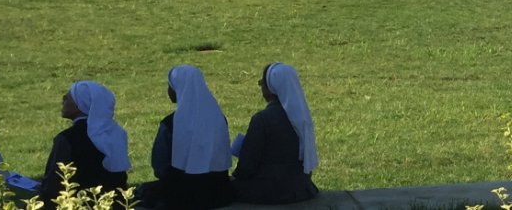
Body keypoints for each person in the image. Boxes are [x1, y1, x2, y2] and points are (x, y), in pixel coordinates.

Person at [140, 65, 236, 210]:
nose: (168, 91)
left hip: (181, 194)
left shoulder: (170, 123)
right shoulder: (219, 118)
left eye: (170, 86)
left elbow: (159, 166)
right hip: (218, 191)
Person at [234, 63, 319, 204]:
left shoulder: (262, 119)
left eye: (262, 83)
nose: (261, 87)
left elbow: (246, 168)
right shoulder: (302, 117)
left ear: (271, 88)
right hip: (301, 189)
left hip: (269, 191)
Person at [39, 81, 130, 207]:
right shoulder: (116, 134)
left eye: (69, 96)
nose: (63, 99)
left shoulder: (67, 138)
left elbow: (54, 184)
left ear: (81, 105)